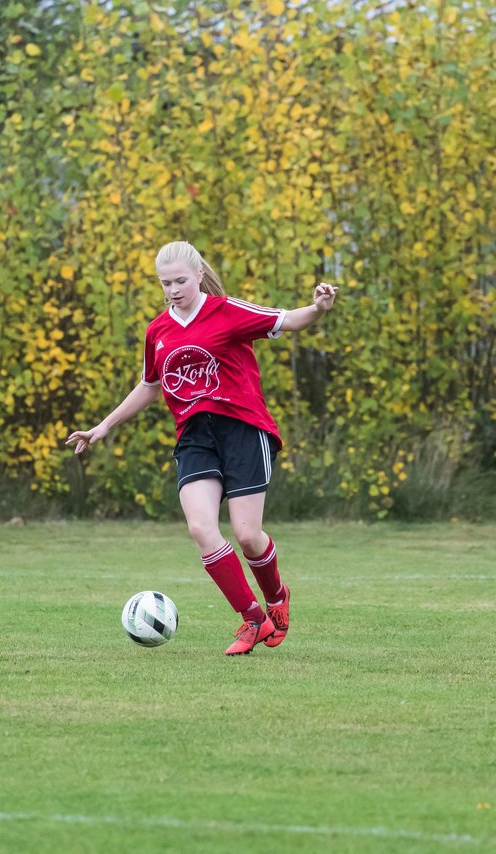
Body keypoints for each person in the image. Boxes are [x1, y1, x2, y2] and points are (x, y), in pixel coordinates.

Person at [66, 241, 338, 656]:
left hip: (244, 430)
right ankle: (252, 619)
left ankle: (277, 597)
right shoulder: (158, 331)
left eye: (179, 281)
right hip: (195, 436)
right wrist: (103, 427)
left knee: (248, 536)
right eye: (165, 283)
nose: (173, 289)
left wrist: (318, 308)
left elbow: (288, 320)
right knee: (200, 528)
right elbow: (150, 385)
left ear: (197, 275)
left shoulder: (227, 311)